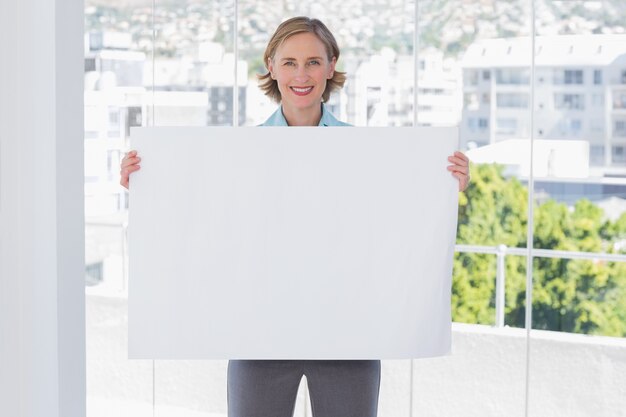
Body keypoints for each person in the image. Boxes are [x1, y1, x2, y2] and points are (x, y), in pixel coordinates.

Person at [120, 16, 470, 417]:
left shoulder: (368, 153)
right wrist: (148, 188)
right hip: (259, 335)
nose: (301, 75)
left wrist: (442, 188)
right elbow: (203, 218)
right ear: (271, 65)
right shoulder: (239, 153)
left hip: (348, 334)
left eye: (313, 62)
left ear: (332, 64)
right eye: (289, 62)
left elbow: (393, 227)